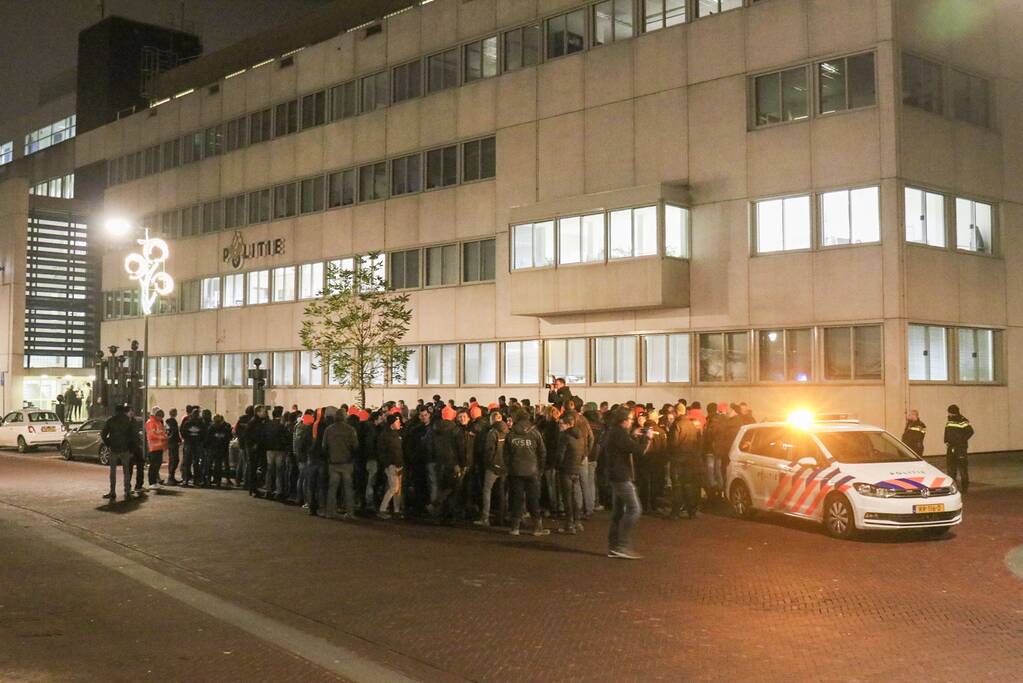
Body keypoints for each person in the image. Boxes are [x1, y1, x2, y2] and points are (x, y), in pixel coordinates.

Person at [606, 408, 651, 559]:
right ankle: (622, 545)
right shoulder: (620, 434)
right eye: (630, 419)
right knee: (635, 509)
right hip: (622, 476)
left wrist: (632, 435)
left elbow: (624, 446)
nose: (632, 422)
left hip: (615, 475)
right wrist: (647, 438)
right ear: (624, 420)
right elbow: (639, 450)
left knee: (618, 512)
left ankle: (614, 546)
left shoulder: (614, 432)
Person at [506, 409, 550, 537]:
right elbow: (542, 452)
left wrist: (510, 467)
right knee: (533, 499)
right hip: (532, 470)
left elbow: (506, 453)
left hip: (515, 471)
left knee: (517, 499)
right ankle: (537, 528)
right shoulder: (535, 433)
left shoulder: (511, 433)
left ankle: (515, 528)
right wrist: (540, 469)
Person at [667, 407, 701, 519]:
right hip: (690, 459)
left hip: (678, 459)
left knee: (677, 486)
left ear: (676, 412)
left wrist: (670, 455)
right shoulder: (691, 425)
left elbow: (673, 443)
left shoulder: (677, 425)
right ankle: (691, 511)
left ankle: (675, 512)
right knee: (688, 485)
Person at [554, 412, 585, 534]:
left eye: (561, 423)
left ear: (568, 424)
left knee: (567, 498)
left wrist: (557, 466)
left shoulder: (564, 436)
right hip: (576, 468)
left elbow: (560, 455)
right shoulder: (580, 435)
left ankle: (569, 524)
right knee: (574, 496)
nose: (559, 426)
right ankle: (577, 522)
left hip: (565, 469)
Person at [324, 409, 359, 519]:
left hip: (333, 462)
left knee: (332, 488)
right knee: (348, 488)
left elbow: (324, 446)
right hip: (346, 463)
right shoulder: (350, 429)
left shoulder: (329, 429)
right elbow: (355, 446)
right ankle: (350, 513)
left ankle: (330, 512)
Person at [476, 412, 509, 527]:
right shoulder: (508, 431)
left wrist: (488, 464)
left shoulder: (492, 432)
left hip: (493, 467)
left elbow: (489, 450)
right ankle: (502, 517)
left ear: (492, 420)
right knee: (502, 492)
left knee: (487, 490)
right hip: (505, 466)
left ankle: (485, 518)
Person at [100, 404, 135, 501]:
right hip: (125, 448)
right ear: (123, 411)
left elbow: (103, 434)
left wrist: (109, 443)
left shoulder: (111, 421)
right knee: (126, 471)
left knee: (113, 472)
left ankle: (112, 492)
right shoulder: (128, 421)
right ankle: (127, 491)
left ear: (115, 411)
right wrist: (131, 449)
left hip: (114, 448)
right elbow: (132, 436)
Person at [376, 413, 404, 518]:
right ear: (392, 423)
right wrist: (387, 464)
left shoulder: (396, 434)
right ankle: (382, 509)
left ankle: (396, 510)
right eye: (397, 422)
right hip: (391, 465)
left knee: (397, 489)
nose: (399, 423)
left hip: (399, 464)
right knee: (394, 487)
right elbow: (382, 452)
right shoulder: (385, 435)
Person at [944, 404, 974, 493]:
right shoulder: (949, 421)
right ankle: (953, 487)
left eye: (949, 412)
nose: (948, 414)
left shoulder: (963, 420)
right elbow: (947, 432)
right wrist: (946, 441)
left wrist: (960, 441)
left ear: (953, 412)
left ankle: (965, 488)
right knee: (951, 469)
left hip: (960, 448)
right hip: (951, 447)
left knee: (962, 469)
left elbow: (970, 432)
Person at [180, 408, 207, 488]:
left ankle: (194, 480)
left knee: (195, 463)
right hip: (190, 444)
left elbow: (204, 433)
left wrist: (199, 440)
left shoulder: (200, 423)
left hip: (195, 444)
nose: (195, 415)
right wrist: (188, 439)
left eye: (196, 414)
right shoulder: (188, 422)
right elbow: (183, 432)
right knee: (188, 462)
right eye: (195, 414)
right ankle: (187, 480)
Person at [206, 414, 233, 487]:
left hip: (212, 449)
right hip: (220, 449)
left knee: (210, 465)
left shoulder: (211, 428)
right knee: (218, 466)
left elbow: (207, 439)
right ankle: (218, 481)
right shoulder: (225, 428)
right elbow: (228, 438)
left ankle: (209, 480)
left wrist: (207, 446)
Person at [144, 408, 167, 490]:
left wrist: (164, 437)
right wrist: (162, 437)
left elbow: (162, 432)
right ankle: (152, 482)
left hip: (159, 446)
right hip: (153, 447)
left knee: (157, 465)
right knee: (153, 465)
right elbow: (151, 435)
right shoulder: (150, 422)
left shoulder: (158, 422)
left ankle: (155, 482)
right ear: (156, 415)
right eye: (160, 416)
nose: (161, 418)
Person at [165, 408, 181, 485]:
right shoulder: (172, 421)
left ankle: (171, 477)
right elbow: (174, 432)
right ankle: (170, 477)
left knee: (173, 459)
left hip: (171, 442)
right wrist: (178, 440)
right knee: (174, 459)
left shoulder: (168, 422)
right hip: (173, 442)